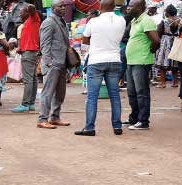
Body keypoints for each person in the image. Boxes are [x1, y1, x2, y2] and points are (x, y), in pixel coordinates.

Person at [75, 0, 126, 137]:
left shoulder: (93, 22)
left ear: (99, 7)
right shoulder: (121, 21)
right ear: (114, 7)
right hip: (114, 59)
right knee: (114, 95)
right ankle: (117, 126)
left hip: (96, 60)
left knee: (92, 96)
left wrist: (86, 53)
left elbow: (85, 39)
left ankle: (89, 127)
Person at [124, 0, 160, 130]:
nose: (128, 8)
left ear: (139, 7)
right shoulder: (135, 21)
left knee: (141, 92)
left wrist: (151, 51)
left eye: (131, 6)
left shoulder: (146, 20)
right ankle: (134, 118)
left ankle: (143, 121)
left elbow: (156, 40)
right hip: (132, 61)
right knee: (132, 92)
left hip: (141, 61)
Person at [37, 0, 71, 129]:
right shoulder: (49, 22)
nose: (63, 8)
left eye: (64, 6)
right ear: (53, 8)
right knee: (48, 92)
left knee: (60, 92)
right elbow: (44, 44)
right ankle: (42, 119)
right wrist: (48, 61)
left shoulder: (61, 22)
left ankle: (55, 117)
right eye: (60, 6)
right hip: (53, 63)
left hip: (62, 62)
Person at [12, 4, 41, 113]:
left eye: (21, 11)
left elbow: (32, 8)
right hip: (29, 51)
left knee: (28, 79)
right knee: (32, 79)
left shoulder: (33, 18)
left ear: (27, 13)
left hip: (29, 53)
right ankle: (31, 104)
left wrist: (29, 7)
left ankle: (25, 104)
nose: (19, 13)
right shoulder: (28, 22)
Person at [155, 6, 180, 88]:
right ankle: (175, 82)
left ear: (167, 13)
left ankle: (162, 83)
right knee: (174, 62)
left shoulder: (164, 21)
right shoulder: (180, 21)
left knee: (163, 62)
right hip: (176, 42)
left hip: (165, 43)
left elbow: (159, 32)